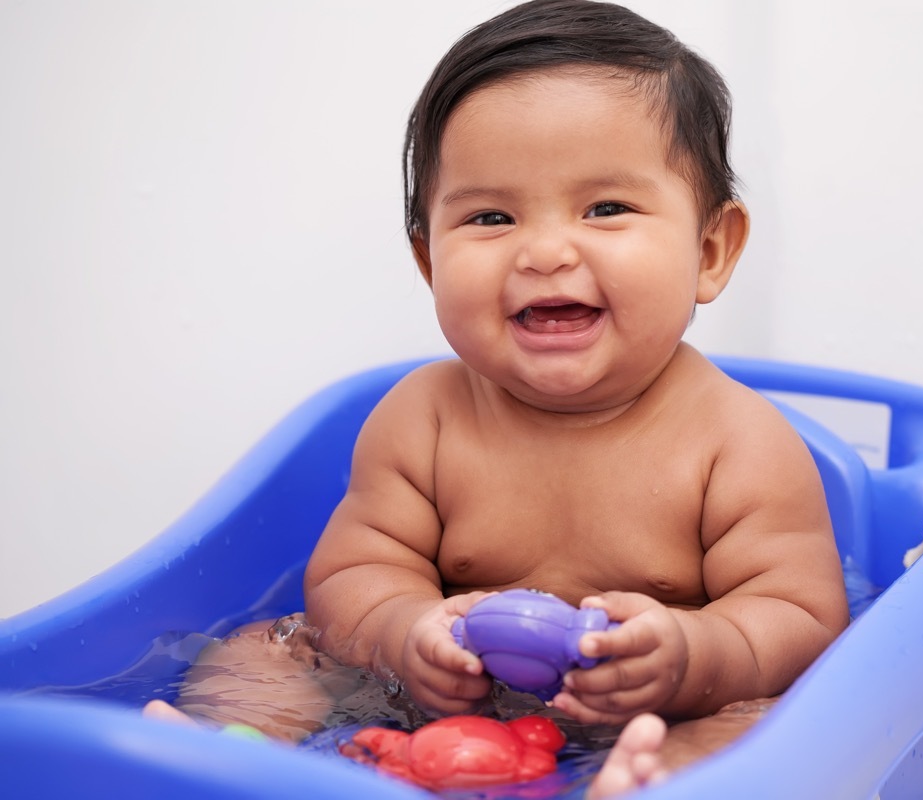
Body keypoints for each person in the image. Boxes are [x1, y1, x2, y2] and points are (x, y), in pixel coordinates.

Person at [145, 0, 849, 794]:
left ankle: (642, 782)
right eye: (491, 216)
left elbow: (800, 619)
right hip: (435, 702)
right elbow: (352, 576)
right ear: (429, 262)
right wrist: (407, 633)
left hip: (657, 712)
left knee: (765, 720)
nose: (545, 251)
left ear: (711, 250)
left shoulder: (738, 442)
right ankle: (230, 757)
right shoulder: (425, 420)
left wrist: (691, 658)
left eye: (605, 208)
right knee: (270, 646)